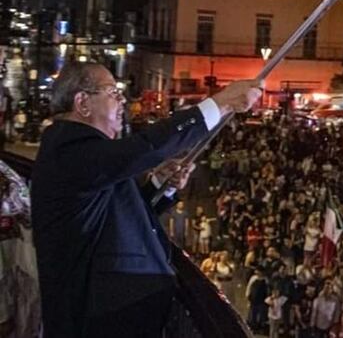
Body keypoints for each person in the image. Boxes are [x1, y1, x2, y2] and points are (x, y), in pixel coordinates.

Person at [30, 62, 262, 337]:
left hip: (114, 311)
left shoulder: (85, 152)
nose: (122, 100)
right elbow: (147, 147)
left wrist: (159, 185)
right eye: (112, 92)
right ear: (82, 102)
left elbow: (111, 210)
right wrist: (220, 103)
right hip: (100, 318)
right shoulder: (69, 150)